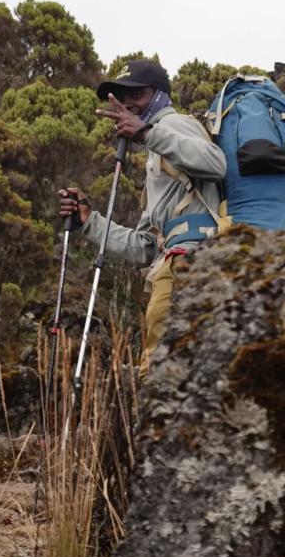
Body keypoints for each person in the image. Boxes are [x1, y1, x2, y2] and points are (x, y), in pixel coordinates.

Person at [59, 59, 226, 378]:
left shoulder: (173, 124)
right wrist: (90, 221)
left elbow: (216, 164)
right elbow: (147, 248)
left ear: (159, 94)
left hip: (192, 263)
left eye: (137, 94)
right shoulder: (157, 159)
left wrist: (149, 133)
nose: (127, 102)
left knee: (162, 373)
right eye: (121, 95)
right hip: (173, 262)